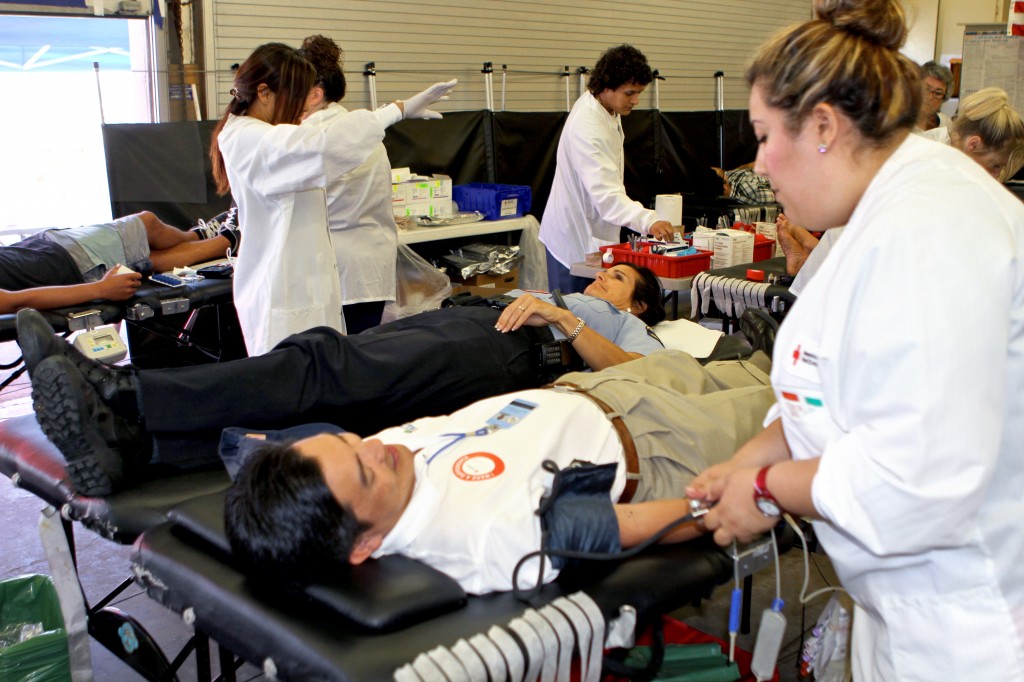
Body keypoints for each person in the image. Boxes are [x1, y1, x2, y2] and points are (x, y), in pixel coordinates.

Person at [685, 1, 1024, 679]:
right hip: (901, 615)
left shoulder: (933, 231)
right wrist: (751, 457)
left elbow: (916, 478)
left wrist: (765, 487)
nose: (759, 162)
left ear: (821, 127)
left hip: (971, 629)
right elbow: (830, 389)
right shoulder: (873, 213)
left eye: (761, 135)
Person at [17, 263, 666, 494]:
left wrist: (567, 319)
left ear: (635, 305)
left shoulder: (622, 325)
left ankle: (123, 392)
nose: (601, 278)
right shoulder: (573, 295)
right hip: (475, 328)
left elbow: (649, 376)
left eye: (617, 280)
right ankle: (139, 450)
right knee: (331, 406)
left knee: (325, 365)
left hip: (515, 351)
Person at [224, 349, 775, 594]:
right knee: (803, 407)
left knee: (751, 368)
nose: (375, 448)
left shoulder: (362, 464)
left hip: (598, 390)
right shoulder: (482, 536)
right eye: (365, 473)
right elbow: (624, 526)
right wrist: (729, 502)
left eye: (349, 441)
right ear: (364, 545)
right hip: (663, 448)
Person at [210, 42, 456, 355]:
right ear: (264, 92)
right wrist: (396, 110)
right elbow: (320, 148)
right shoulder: (248, 137)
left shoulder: (266, 133)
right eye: (296, 95)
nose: (302, 106)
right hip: (284, 292)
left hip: (316, 283)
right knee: (299, 381)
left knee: (327, 374)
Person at [539, 44, 675, 295]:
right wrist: (649, 220)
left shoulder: (606, 108)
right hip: (573, 240)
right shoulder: (588, 126)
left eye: (639, 93)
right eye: (630, 93)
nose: (636, 100)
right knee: (574, 320)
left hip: (593, 233)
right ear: (606, 86)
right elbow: (607, 197)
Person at [298, 35, 399, 334]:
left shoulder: (313, 134)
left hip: (333, 270)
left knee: (331, 364)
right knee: (359, 356)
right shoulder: (362, 127)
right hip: (370, 266)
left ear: (315, 95)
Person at [0, 211, 238, 315]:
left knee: (150, 258)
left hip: (45, 246)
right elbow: (14, 302)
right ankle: (218, 237)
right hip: (70, 261)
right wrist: (100, 289)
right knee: (147, 224)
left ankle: (216, 237)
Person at [920, 86, 1024, 180]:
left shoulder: (954, 158)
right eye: (995, 165)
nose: (996, 175)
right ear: (973, 145)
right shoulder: (925, 160)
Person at [916, 60, 953, 132]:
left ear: (944, 98)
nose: (930, 97)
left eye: (938, 93)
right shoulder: (897, 121)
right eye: (926, 89)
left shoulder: (946, 124)